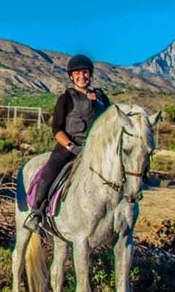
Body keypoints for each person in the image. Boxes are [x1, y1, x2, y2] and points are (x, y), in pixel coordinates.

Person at [24, 54, 110, 231]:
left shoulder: (102, 98)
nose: (82, 76)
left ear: (90, 74)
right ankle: (36, 212)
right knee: (49, 171)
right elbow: (56, 129)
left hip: (97, 148)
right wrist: (72, 146)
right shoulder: (66, 98)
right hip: (70, 146)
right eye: (77, 73)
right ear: (71, 76)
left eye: (85, 72)